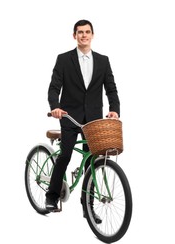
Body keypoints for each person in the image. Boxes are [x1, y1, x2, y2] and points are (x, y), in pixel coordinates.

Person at [46, 20, 120, 220]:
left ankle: (88, 207)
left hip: (93, 119)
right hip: (69, 116)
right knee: (66, 154)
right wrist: (55, 107)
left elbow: (111, 88)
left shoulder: (103, 61)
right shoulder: (63, 59)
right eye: (80, 32)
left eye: (87, 32)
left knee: (93, 161)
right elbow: (54, 88)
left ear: (92, 35)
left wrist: (114, 110)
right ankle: (51, 196)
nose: (84, 35)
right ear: (74, 36)